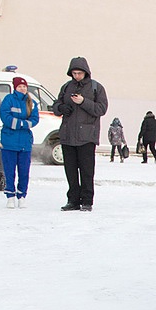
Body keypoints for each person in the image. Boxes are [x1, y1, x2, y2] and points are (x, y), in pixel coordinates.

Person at [52, 57, 108, 212]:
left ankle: (87, 201)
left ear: (86, 72)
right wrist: (61, 108)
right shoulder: (66, 87)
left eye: (79, 73)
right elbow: (55, 105)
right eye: (74, 73)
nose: (77, 76)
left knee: (86, 171)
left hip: (87, 137)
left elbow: (101, 109)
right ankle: (73, 200)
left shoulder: (96, 88)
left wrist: (83, 102)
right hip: (68, 135)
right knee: (70, 171)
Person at [0, 76, 39, 208]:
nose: (22, 88)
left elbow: (35, 119)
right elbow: (5, 116)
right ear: (15, 88)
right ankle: (10, 195)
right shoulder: (9, 99)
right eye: (20, 86)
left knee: (24, 171)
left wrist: (24, 124)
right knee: (9, 170)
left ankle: (22, 195)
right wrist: (21, 124)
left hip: (24, 142)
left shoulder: (31, 102)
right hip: (9, 140)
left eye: (24, 86)